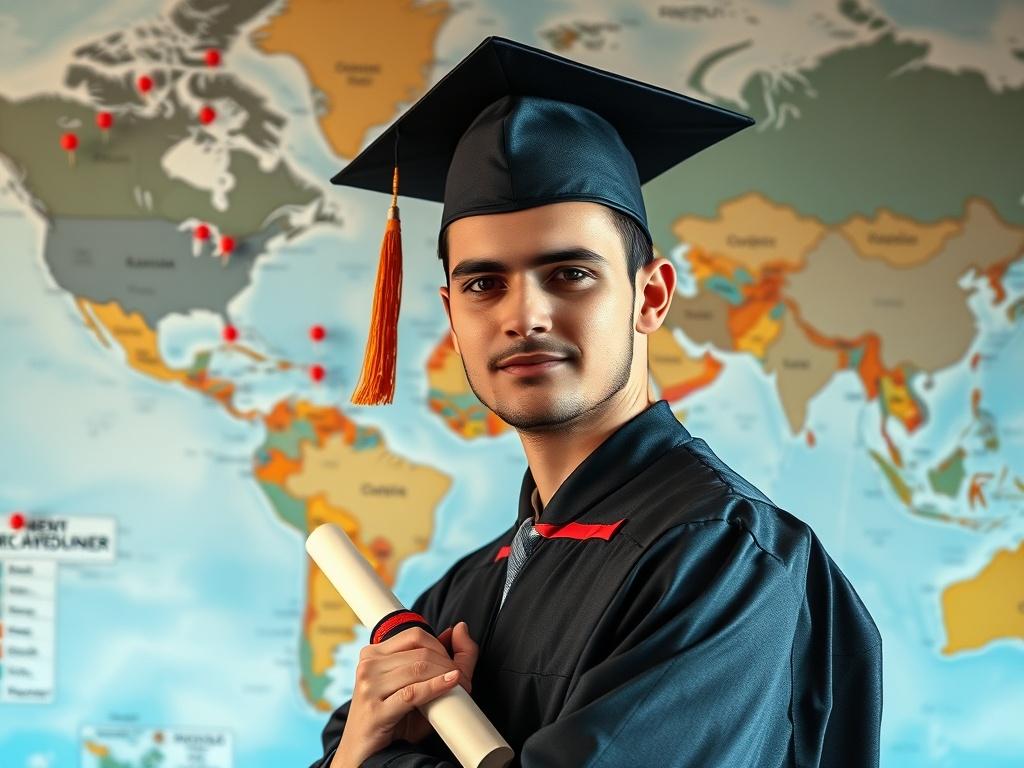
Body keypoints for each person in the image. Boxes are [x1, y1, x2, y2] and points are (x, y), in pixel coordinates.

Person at [311, 36, 882, 768]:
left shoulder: (723, 561)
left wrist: (368, 761)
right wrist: (356, 741)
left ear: (651, 296)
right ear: (452, 316)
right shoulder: (462, 592)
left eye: (570, 274)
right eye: (484, 284)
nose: (525, 316)